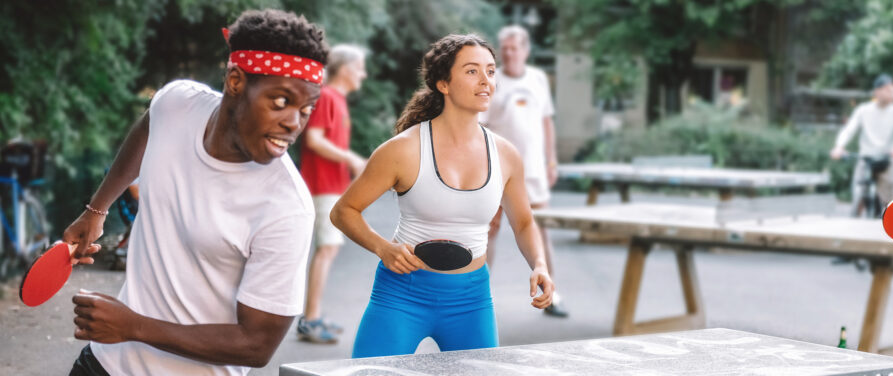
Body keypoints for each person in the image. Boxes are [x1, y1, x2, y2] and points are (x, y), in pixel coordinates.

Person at [63, 9, 325, 375]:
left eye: (307, 108)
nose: (293, 122)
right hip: (104, 363)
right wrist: (96, 210)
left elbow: (257, 345)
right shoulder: (177, 103)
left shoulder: (286, 207)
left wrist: (132, 326)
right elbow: (149, 125)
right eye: (281, 101)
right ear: (236, 81)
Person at [331, 33, 555, 358]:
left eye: (491, 71)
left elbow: (523, 223)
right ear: (443, 84)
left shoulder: (506, 155)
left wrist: (540, 265)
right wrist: (383, 248)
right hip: (401, 294)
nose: (486, 81)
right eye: (472, 71)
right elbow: (344, 211)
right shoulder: (403, 150)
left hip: (471, 300)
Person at [480, 25, 567, 318]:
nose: (508, 53)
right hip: (498, 170)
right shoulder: (492, 80)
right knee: (488, 231)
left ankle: (551, 295)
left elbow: (547, 122)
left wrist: (552, 160)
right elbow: (482, 125)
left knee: (541, 231)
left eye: (513, 48)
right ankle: (479, 297)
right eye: (504, 48)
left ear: (526, 50)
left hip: (534, 170)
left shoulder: (539, 79)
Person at [296, 44, 368, 344]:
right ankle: (310, 320)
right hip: (321, 186)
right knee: (327, 250)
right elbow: (313, 139)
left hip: (331, 187)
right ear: (347, 69)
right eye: (360, 68)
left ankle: (311, 315)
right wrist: (351, 158)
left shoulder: (336, 99)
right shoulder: (327, 96)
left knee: (327, 249)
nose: (363, 74)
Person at [830, 74, 893, 217]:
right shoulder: (863, 110)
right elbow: (849, 129)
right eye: (887, 90)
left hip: (887, 159)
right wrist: (839, 146)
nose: (892, 93)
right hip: (866, 159)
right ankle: (854, 227)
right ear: (877, 91)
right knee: (858, 196)